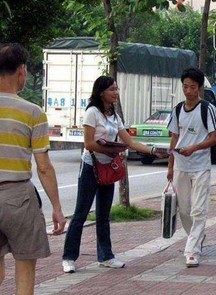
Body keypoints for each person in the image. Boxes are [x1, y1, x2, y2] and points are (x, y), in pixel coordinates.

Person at [62, 76, 164, 273]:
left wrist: (152, 151)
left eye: (116, 89)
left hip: (108, 169)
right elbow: (88, 143)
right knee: (80, 214)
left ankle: (106, 256)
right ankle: (69, 257)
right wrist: (110, 149)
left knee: (103, 215)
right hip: (91, 167)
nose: (116, 93)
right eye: (112, 89)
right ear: (101, 92)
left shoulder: (114, 116)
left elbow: (130, 142)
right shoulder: (92, 113)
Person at [0, 43, 67, 294]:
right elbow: (44, 168)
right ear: (21, 71)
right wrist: (57, 208)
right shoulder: (33, 112)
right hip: (18, 198)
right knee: (25, 269)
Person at [166, 68, 216, 267]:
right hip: (181, 166)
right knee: (184, 210)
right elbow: (173, 139)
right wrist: (170, 167)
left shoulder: (207, 109)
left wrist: (194, 147)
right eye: (185, 87)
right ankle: (197, 237)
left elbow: (213, 138)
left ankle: (192, 251)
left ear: (199, 88)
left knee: (199, 209)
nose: (188, 91)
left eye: (192, 87)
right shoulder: (178, 110)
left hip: (201, 167)